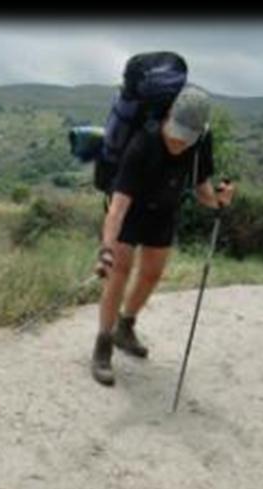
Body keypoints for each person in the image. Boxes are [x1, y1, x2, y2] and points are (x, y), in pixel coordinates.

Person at [91, 85, 235, 386]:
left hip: (164, 211)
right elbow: (117, 208)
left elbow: (201, 187)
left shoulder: (199, 142)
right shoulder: (143, 142)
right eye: (176, 132)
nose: (180, 141)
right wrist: (106, 248)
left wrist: (219, 200)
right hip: (130, 210)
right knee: (119, 271)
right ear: (169, 116)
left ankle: (125, 327)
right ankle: (102, 346)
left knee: (152, 274)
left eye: (187, 136)